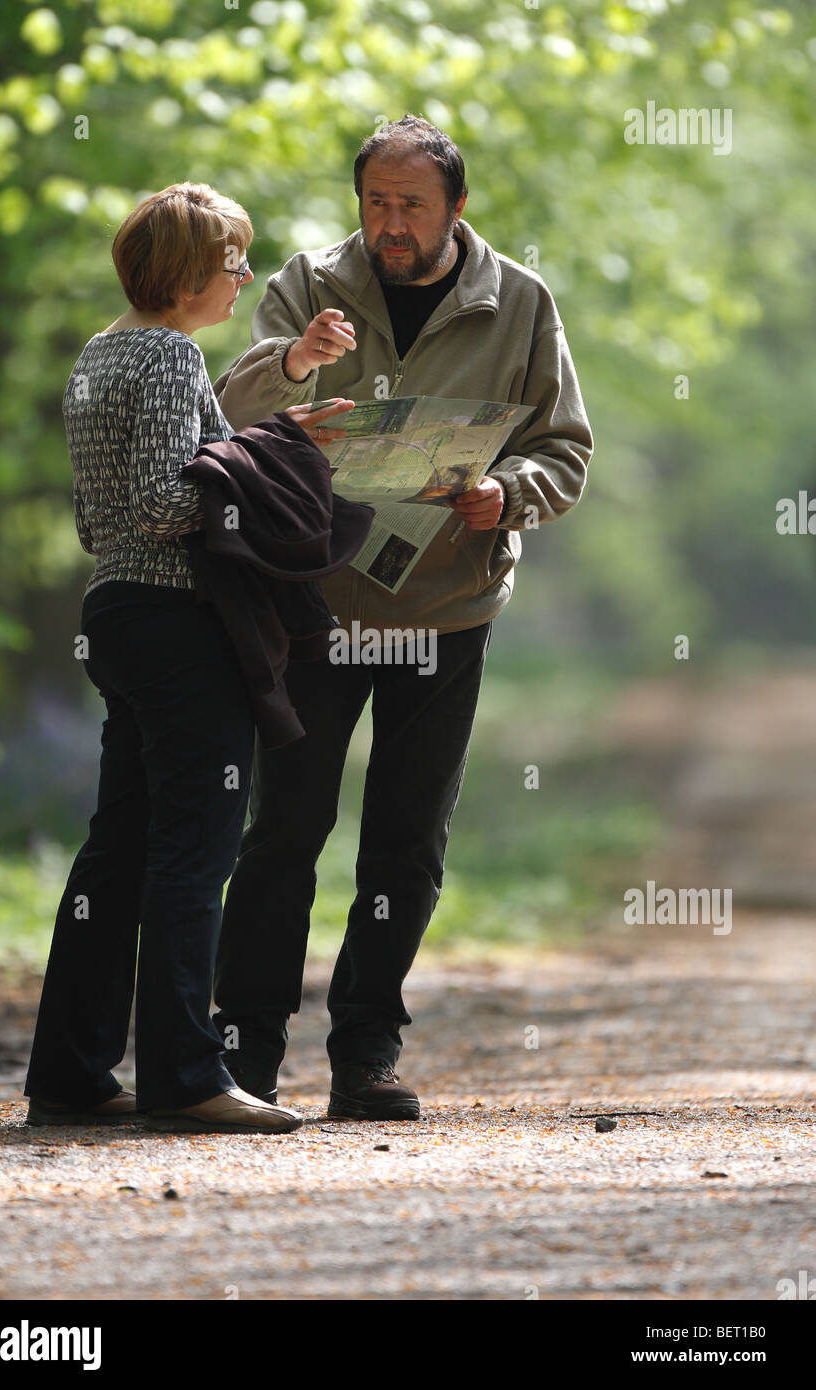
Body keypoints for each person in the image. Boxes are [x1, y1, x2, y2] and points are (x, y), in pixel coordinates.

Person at [211, 116, 594, 1121]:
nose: (390, 222)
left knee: (406, 840)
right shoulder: (306, 284)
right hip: (316, 595)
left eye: (411, 205)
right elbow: (231, 414)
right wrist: (294, 361)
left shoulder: (519, 301)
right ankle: (245, 1051)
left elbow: (564, 447)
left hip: (447, 600)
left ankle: (364, 1054)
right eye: (375, 201)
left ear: (455, 208)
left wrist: (506, 494)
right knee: (283, 827)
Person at [24, 182, 352, 1134]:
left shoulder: (97, 355)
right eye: (233, 263)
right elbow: (170, 506)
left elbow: (100, 519)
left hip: (118, 614)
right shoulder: (171, 356)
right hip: (178, 623)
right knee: (193, 850)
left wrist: (254, 441)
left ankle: (73, 1073)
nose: (244, 278)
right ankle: (185, 1075)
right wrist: (277, 447)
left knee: (118, 849)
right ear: (187, 274)